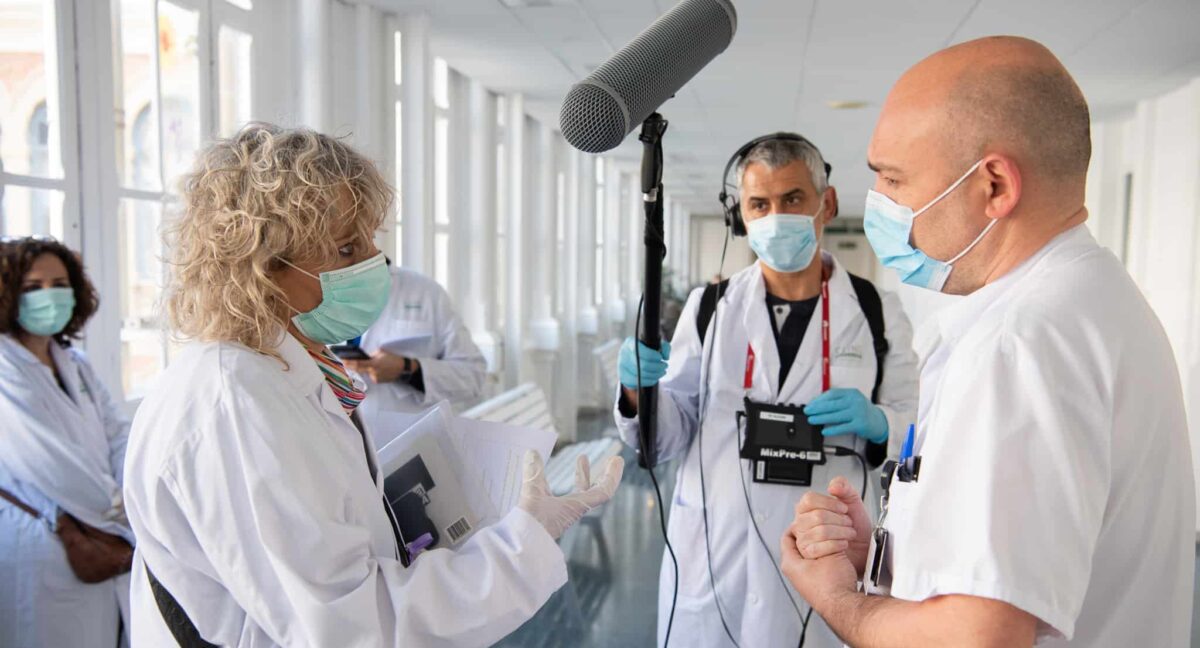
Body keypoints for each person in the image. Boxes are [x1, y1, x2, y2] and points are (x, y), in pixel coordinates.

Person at [122, 123, 624, 647]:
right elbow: (354, 627)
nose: (372, 261)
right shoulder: (232, 400)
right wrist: (524, 542)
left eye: (370, 239)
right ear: (263, 265)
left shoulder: (281, 370)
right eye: (345, 248)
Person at [781, 36, 1195, 647]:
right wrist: (894, 553)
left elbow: (977, 639)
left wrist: (838, 598)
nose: (881, 208)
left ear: (995, 185)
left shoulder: (1019, 342)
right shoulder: (1094, 298)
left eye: (894, 180)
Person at [615, 133, 919, 647]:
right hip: (717, 551)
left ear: (828, 204)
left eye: (793, 199)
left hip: (826, 552)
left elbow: (915, 421)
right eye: (760, 204)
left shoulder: (874, 308)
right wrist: (636, 391)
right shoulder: (710, 306)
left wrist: (879, 421)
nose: (776, 216)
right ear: (742, 217)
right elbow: (666, 436)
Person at [0, 237, 134, 648]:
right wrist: (118, 508)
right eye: (33, 287)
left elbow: (117, 434)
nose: (50, 296)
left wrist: (129, 493)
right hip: (44, 537)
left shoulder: (74, 363)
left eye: (59, 284)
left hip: (103, 530)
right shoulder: (5, 366)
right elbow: (46, 460)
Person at [344, 264, 487, 446]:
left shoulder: (425, 292)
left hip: (409, 446)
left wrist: (408, 369)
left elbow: (473, 375)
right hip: (341, 447)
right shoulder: (315, 294)